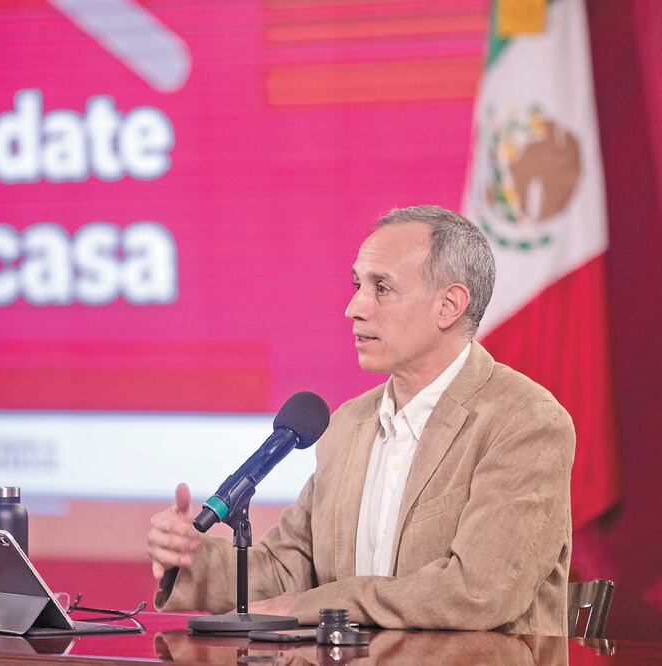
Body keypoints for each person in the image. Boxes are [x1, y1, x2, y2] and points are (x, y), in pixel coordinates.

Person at [147, 205, 575, 635]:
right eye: (357, 285)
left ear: (448, 306)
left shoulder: (525, 422)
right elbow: (286, 571)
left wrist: (315, 605)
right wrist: (191, 559)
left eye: (382, 288)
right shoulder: (348, 425)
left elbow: (477, 592)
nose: (354, 307)